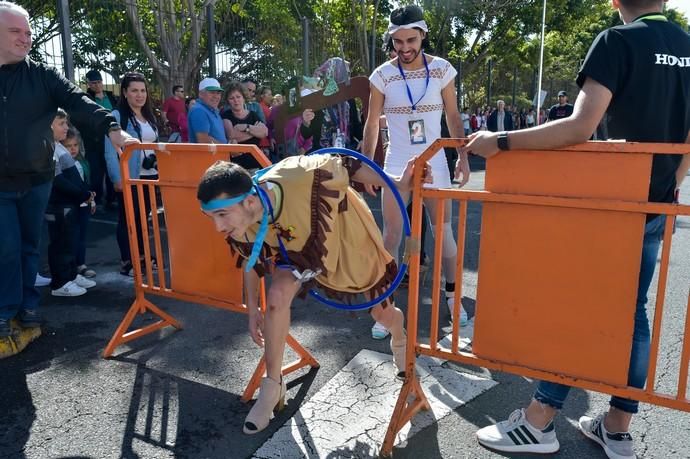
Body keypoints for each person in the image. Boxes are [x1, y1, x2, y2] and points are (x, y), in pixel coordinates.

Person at [465, 1, 690, 458]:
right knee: (634, 314)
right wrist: (669, 189)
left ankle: (539, 420)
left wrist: (500, 142)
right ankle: (617, 426)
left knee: (578, 308)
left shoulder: (617, 40)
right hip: (653, 202)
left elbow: (580, 126)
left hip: (612, 203)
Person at [197, 152, 431, 435]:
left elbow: (347, 165)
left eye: (221, 215)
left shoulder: (297, 174)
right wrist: (252, 309)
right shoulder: (240, 219)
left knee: (382, 313)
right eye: (210, 217)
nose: (218, 226)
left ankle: (399, 336)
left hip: (345, 237)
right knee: (276, 299)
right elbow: (251, 260)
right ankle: (272, 386)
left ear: (249, 200)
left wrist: (397, 182)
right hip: (300, 252)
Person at [0, 1, 135, 337]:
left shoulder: (43, 76)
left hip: (37, 179)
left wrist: (111, 126)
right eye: (15, 31)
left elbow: (77, 100)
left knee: (29, 246)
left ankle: (27, 308)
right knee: (6, 247)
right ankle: (4, 312)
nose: (26, 38)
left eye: (28, 32)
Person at [361, 4, 471, 325]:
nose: (405, 48)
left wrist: (461, 157)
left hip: (435, 158)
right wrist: (369, 166)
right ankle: (385, 309)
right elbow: (370, 124)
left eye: (411, 40)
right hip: (397, 162)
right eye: (398, 41)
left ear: (422, 35)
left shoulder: (441, 69)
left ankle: (453, 299)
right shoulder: (382, 75)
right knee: (391, 237)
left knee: (444, 234)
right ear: (391, 40)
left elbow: (453, 116)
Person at [104, 72, 160, 277]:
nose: (139, 95)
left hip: (150, 175)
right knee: (128, 219)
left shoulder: (149, 116)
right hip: (131, 176)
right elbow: (109, 150)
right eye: (134, 90)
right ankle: (128, 260)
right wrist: (117, 178)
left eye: (143, 90)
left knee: (143, 219)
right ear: (125, 93)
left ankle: (143, 256)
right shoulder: (118, 116)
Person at [46, 109, 97, 297]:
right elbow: (58, 182)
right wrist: (82, 194)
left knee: (71, 241)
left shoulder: (58, 146)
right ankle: (60, 282)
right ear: (48, 125)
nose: (66, 127)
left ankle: (71, 275)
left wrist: (84, 193)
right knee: (61, 243)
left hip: (71, 204)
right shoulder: (49, 148)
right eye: (61, 124)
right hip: (60, 206)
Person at [62, 128, 97, 278]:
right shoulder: (62, 165)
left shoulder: (82, 162)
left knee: (82, 236)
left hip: (84, 205)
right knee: (71, 236)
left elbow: (86, 183)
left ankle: (80, 264)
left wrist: (92, 200)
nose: (73, 149)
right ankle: (70, 266)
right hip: (70, 206)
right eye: (68, 146)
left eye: (75, 145)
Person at [84, 69, 119, 208]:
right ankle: (96, 201)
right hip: (94, 141)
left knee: (112, 169)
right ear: (88, 84)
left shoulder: (111, 97)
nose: (96, 85)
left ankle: (111, 199)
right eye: (93, 83)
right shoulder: (86, 99)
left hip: (111, 139)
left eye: (98, 82)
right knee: (96, 173)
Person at [221, 81, 268, 170]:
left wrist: (245, 127)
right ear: (228, 101)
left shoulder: (253, 115)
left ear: (243, 97)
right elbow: (231, 136)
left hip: (257, 164)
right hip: (236, 167)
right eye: (232, 98)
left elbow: (265, 132)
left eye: (238, 97)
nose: (236, 101)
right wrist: (254, 131)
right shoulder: (226, 116)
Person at [188, 77, 226, 144]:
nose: (216, 96)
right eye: (212, 92)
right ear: (201, 94)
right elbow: (203, 139)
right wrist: (228, 149)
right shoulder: (199, 111)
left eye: (218, 93)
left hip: (218, 154)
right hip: (207, 154)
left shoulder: (212, 110)